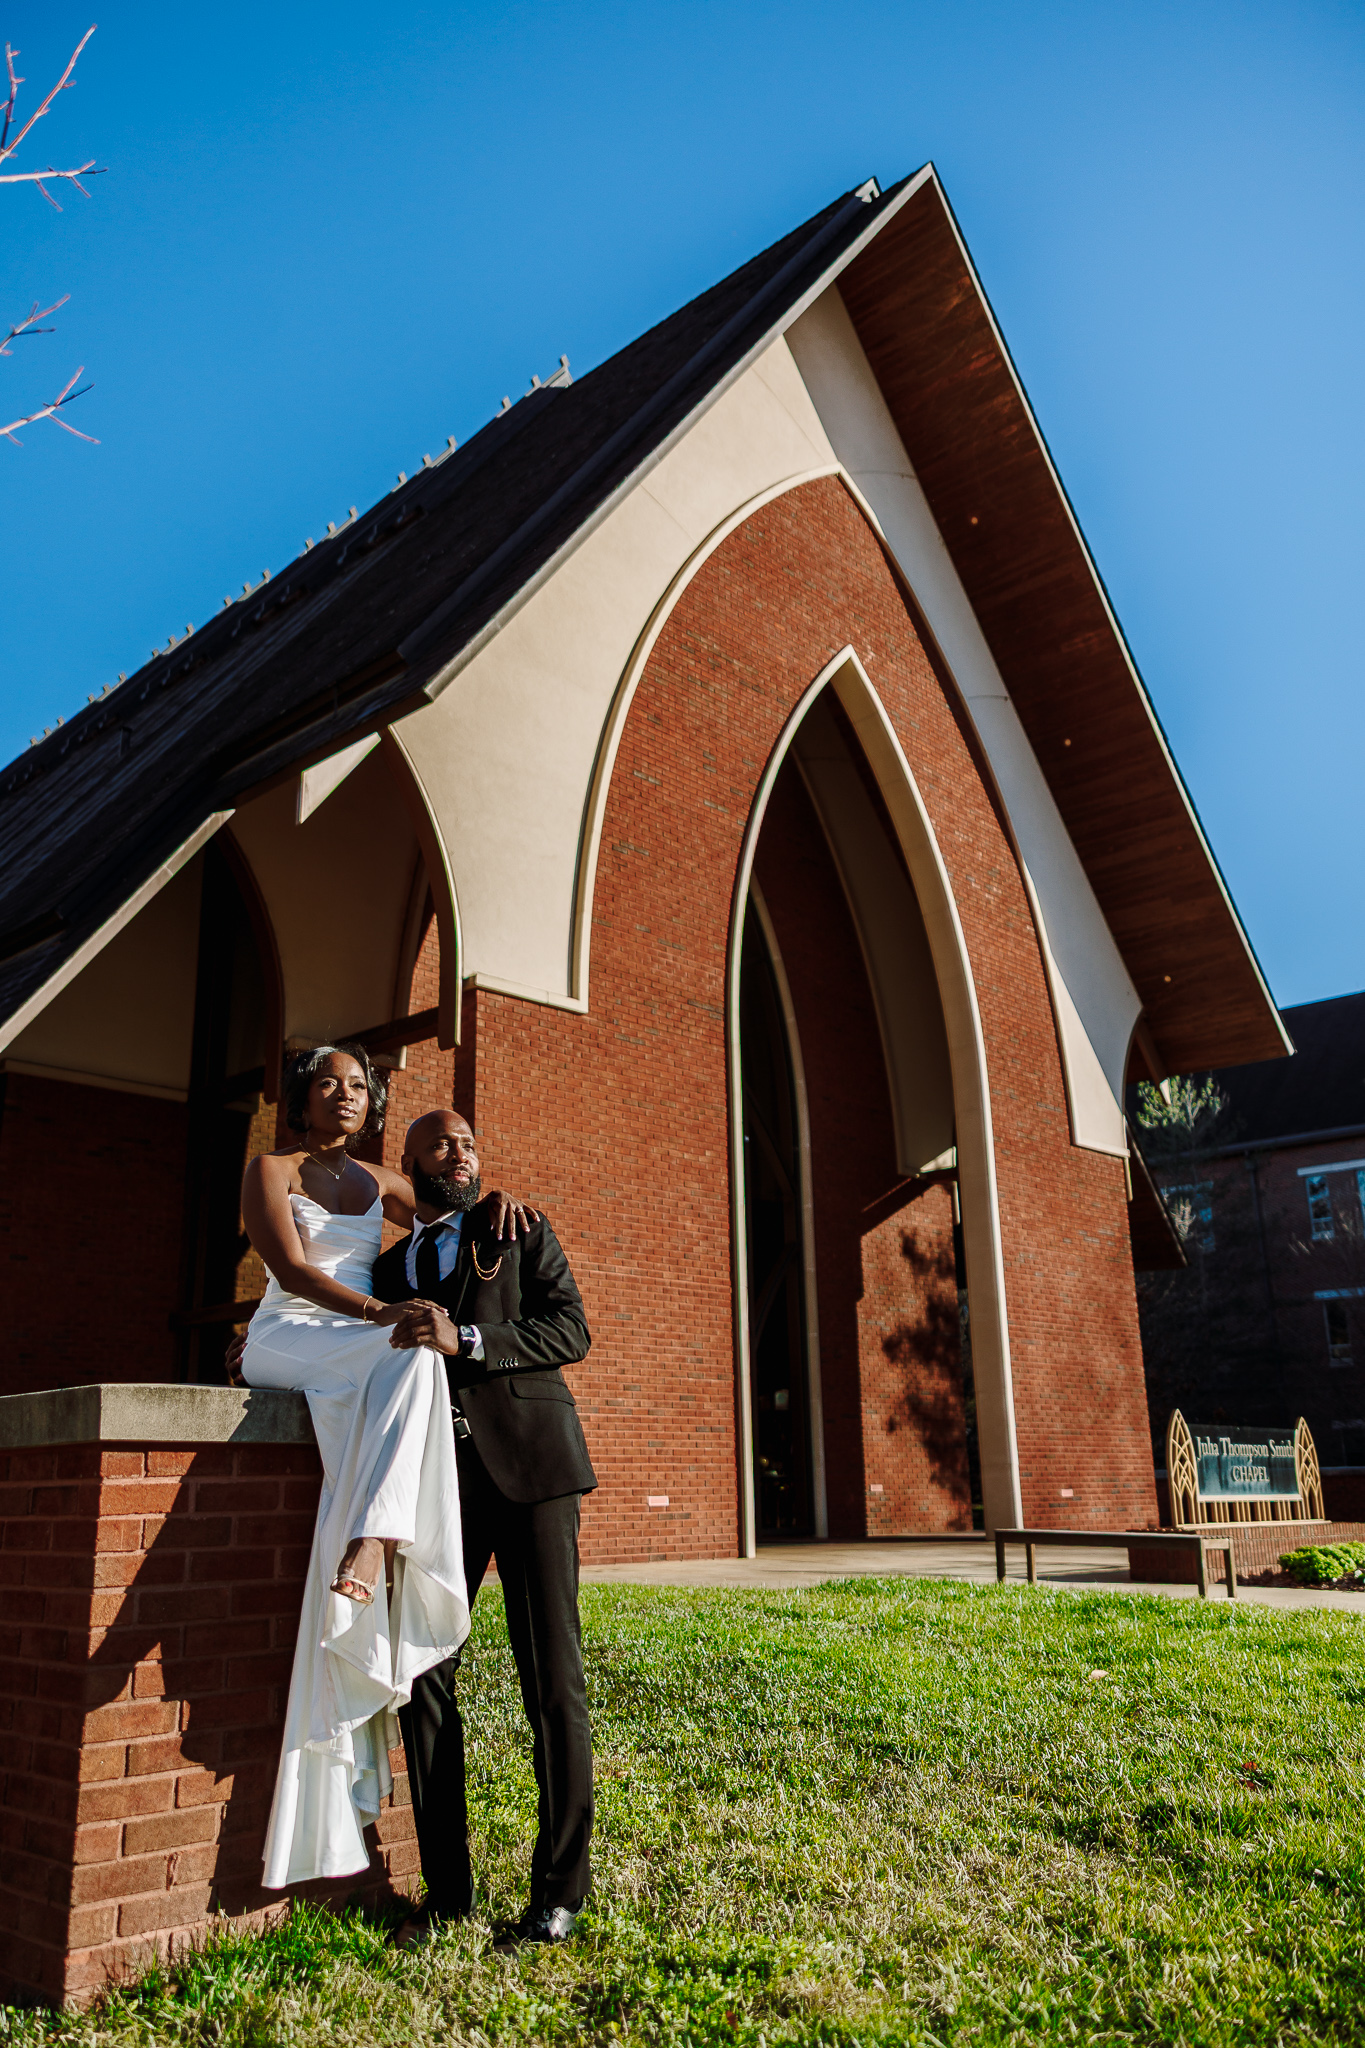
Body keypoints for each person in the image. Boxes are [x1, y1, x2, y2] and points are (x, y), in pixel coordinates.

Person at [235, 1044, 533, 1892]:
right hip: (290, 1332)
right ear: (302, 1098)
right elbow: (291, 1270)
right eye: (328, 1084)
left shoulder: (379, 1180)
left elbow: (448, 1203)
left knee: (419, 1355)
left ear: (372, 1104)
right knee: (406, 1343)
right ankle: (378, 1534)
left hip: (361, 1343)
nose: (345, 1095)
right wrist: (378, 1310)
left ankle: (373, 1535)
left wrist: (497, 1197)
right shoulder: (271, 1169)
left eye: (359, 1086)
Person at [373, 1108, 596, 1951]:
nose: (460, 1152)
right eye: (442, 1143)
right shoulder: (387, 1266)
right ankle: (448, 1893)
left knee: (551, 1680)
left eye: (468, 1143)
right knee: (423, 1672)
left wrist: (465, 1336)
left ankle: (559, 1894)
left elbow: (569, 1329)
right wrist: (258, 1344)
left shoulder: (516, 1227)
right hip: (438, 1487)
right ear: (410, 1161)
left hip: (534, 1471)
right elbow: (343, 1334)